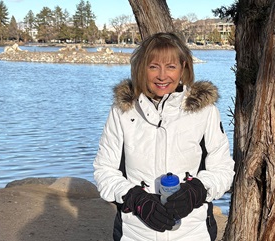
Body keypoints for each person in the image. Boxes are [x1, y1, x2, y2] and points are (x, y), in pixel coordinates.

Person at [93, 32, 235, 241]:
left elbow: (223, 170)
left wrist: (197, 191)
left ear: (183, 67)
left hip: (193, 233)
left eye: (170, 66)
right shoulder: (122, 111)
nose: (162, 76)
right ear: (142, 68)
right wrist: (135, 198)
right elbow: (104, 170)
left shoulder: (206, 111)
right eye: (153, 67)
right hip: (134, 233)